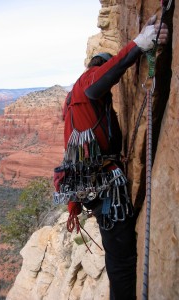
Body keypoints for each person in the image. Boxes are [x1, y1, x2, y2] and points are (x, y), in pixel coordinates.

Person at [54, 15, 168, 300]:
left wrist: (73, 204)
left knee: (116, 252)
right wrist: (139, 44)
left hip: (91, 183)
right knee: (122, 259)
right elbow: (101, 80)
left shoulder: (72, 102)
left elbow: (71, 151)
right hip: (104, 185)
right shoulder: (87, 85)